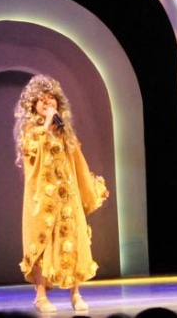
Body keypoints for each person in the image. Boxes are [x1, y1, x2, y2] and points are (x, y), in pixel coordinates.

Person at [14, 75, 109, 314]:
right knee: (42, 243)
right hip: (42, 199)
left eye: (51, 99)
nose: (47, 103)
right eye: (41, 100)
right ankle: (40, 296)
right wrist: (46, 125)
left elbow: (78, 163)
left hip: (67, 197)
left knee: (71, 240)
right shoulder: (31, 131)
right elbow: (32, 153)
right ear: (33, 105)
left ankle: (75, 294)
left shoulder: (64, 132)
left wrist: (88, 189)